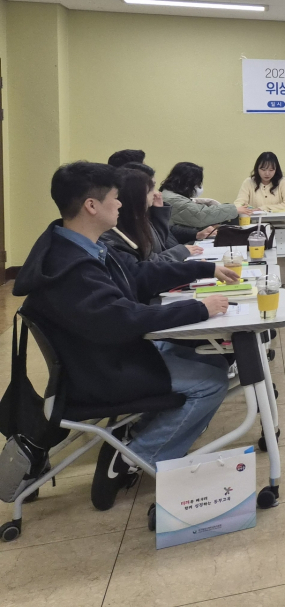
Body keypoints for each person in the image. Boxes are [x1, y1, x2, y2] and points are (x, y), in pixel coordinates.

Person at [13, 162, 239, 511]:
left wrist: (204, 267)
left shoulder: (76, 246)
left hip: (103, 355)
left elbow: (139, 276)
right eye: (115, 199)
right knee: (211, 380)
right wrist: (201, 309)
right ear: (92, 205)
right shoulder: (72, 269)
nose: (121, 205)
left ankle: (133, 438)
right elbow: (125, 319)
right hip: (102, 371)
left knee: (203, 356)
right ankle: (133, 457)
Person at [101, 165, 203, 263]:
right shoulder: (116, 233)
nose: (157, 193)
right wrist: (181, 252)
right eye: (151, 189)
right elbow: (147, 266)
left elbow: (156, 251)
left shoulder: (139, 217)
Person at [160, 161, 250, 230]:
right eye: (197, 184)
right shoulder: (173, 199)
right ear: (187, 182)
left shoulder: (171, 195)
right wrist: (234, 209)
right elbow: (200, 215)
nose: (199, 187)